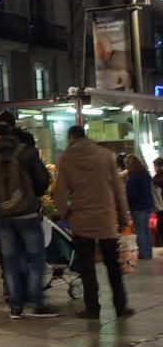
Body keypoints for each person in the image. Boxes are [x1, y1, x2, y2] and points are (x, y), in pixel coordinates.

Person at [0, 122, 56, 319]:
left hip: (4, 217)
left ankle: (16, 306)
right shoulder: (26, 152)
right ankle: (37, 303)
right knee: (35, 258)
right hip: (27, 214)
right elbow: (43, 179)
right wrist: (31, 196)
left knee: (10, 261)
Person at [54, 126, 133, 319]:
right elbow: (118, 190)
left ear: (71, 137)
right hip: (106, 219)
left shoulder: (65, 159)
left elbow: (60, 192)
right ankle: (120, 307)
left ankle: (92, 308)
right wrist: (124, 218)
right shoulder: (106, 156)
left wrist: (64, 213)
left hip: (81, 220)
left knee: (87, 267)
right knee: (112, 265)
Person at [125, 154, 154, 259]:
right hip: (148, 205)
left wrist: (127, 204)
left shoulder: (132, 177)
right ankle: (148, 252)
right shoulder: (145, 174)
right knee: (146, 229)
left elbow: (132, 195)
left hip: (138, 207)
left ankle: (143, 253)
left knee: (140, 230)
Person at [152, 158, 163, 248]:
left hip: (161, 204)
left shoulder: (160, 176)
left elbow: (158, 183)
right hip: (160, 204)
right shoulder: (158, 175)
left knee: (161, 224)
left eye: (155, 166)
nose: (154, 168)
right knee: (160, 224)